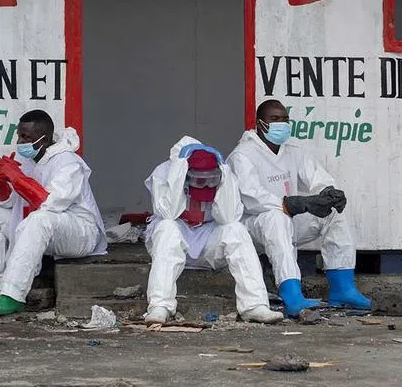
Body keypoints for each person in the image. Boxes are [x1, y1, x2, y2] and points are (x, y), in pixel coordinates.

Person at [228, 99, 370, 317]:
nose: (281, 124)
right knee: (276, 217)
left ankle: (343, 289)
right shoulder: (243, 155)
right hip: (251, 228)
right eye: (274, 119)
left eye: (285, 119)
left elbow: (316, 176)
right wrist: (289, 204)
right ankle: (292, 295)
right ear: (260, 123)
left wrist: (329, 193)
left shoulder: (292, 151)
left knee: (332, 213)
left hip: (287, 222)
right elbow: (251, 198)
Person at [0, 110, 107, 315]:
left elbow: (50, 203)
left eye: (25, 137)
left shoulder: (68, 162)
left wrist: (17, 177)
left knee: (39, 219)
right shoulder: (28, 159)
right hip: (43, 226)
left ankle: (13, 294)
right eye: (19, 135)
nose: (20, 142)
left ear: (43, 139)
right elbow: (4, 201)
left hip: (79, 232)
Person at [143, 136, 283, 325]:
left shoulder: (224, 173)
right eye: (199, 181)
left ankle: (254, 305)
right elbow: (169, 212)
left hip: (207, 239)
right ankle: (160, 306)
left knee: (236, 229)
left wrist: (224, 176)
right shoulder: (164, 172)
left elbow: (228, 216)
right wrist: (178, 174)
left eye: (211, 180)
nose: (206, 185)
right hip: (176, 237)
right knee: (167, 227)